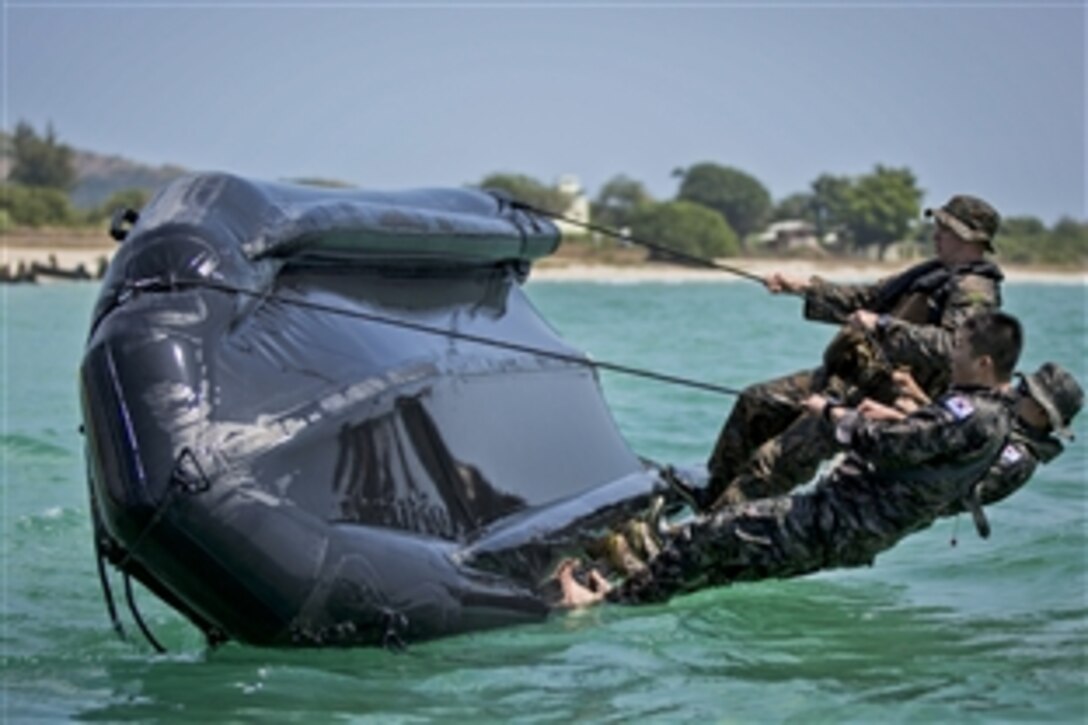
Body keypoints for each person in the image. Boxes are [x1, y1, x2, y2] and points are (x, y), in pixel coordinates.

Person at [558, 311, 1022, 607]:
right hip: (859, 532)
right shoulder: (994, 417)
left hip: (839, 518)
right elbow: (923, 442)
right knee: (721, 568)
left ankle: (603, 607)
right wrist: (887, 414)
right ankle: (620, 596)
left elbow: (886, 446)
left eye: (959, 350)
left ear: (984, 363)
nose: (951, 357)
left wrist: (831, 412)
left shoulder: (968, 412)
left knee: (704, 534)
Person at [703, 195, 1005, 510]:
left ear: (967, 236)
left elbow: (953, 347)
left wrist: (883, 326)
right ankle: (710, 497)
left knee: (775, 462)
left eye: (944, 228)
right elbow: (867, 298)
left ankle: (707, 535)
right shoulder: (933, 271)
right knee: (757, 402)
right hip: (845, 378)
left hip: (875, 400)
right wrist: (806, 287)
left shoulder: (975, 289)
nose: (935, 234)